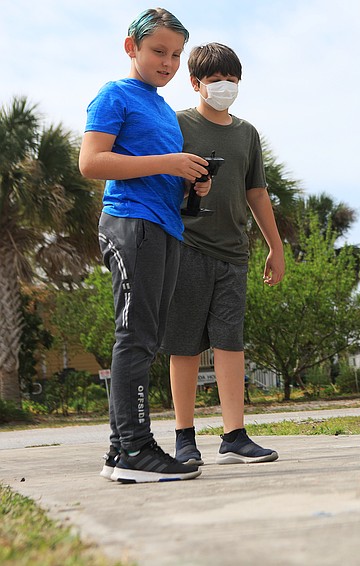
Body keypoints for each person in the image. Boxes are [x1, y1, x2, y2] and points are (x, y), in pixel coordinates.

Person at [79, 8, 210, 483]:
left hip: (166, 227)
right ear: (131, 47)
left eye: (176, 55)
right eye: (159, 51)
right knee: (135, 336)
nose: (169, 63)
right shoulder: (114, 95)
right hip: (130, 225)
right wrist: (168, 162)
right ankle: (136, 447)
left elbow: (159, 169)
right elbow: (92, 162)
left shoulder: (161, 109)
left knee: (148, 338)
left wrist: (191, 182)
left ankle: (120, 452)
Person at [161, 42, 284, 466]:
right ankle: (184, 436)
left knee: (231, 343)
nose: (225, 87)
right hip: (186, 247)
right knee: (185, 345)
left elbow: (257, 191)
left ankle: (235, 435)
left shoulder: (247, 133)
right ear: (196, 83)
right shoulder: (175, 123)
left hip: (234, 253)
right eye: (216, 80)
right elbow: (159, 177)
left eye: (232, 80)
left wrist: (275, 245)